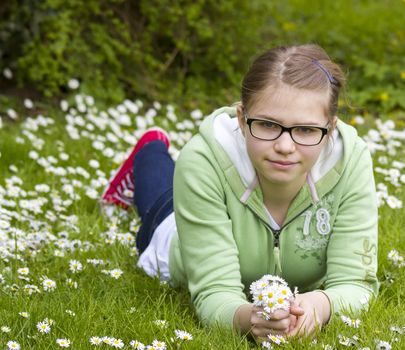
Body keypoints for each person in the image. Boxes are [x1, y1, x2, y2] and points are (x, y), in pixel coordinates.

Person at [101, 44, 379, 339]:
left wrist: (321, 305)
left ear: (331, 129)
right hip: (174, 237)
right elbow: (213, 291)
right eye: (268, 125)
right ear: (242, 119)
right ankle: (148, 149)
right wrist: (249, 320)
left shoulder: (351, 161)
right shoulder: (203, 162)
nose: (285, 147)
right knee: (160, 200)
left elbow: (357, 283)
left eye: (306, 130)